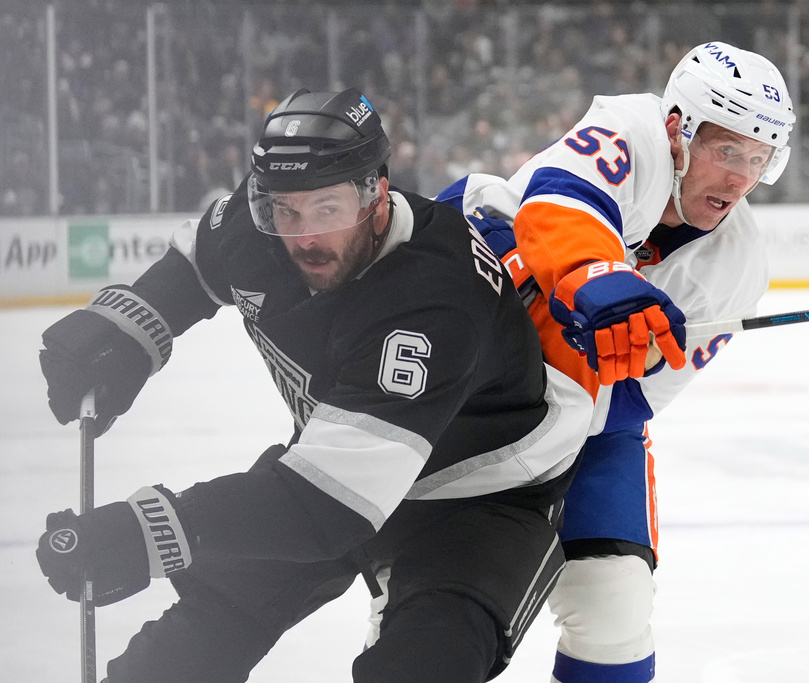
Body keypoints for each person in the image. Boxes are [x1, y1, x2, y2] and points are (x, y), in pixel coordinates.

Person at [34, 88, 595, 683]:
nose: (303, 237)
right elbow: (198, 264)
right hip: (336, 459)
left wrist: (147, 530)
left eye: (328, 209)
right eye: (285, 210)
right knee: (201, 633)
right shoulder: (263, 231)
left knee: (428, 662)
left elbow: (325, 509)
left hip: (481, 492)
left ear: (377, 195)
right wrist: (125, 331)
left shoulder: (435, 301)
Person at [437, 41, 794, 683]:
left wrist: (594, 360)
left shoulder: (738, 266)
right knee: (429, 612)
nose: (741, 178)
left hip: (583, 423)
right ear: (679, 132)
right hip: (467, 363)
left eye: (758, 158)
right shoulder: (632, 129)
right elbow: (560, 207)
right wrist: (595, 281)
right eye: (727, 150)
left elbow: (634, 400)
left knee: (616, 608)